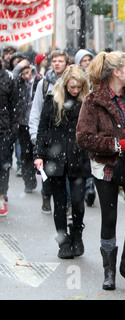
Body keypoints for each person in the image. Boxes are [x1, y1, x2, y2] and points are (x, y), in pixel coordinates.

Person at [76, 51, 125, 290]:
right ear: (116, 72)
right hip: (107, 166)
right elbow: (83, 138)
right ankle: (109, 270)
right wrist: (114, 145)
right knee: (109, 218)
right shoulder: (93, 100)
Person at [34, 65, 91, 259]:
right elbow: (43, 129)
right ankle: (63, 241)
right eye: (72, 86)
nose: (75, 90)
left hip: (78, 156)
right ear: (65, 83)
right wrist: (38, 154)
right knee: (59, 202)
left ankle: (77, 234)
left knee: (77, 201)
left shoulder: (86, 102)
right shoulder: (53, 101)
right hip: (55, 157)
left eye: (78, 87)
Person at [29, 50, 70, 215]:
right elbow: (36, 109)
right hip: (47, 135)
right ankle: (46, 194)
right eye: (55, 61)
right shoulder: (44, 84)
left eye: (61, 60)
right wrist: (34, 135)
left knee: (65, 172)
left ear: (66, 63)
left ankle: (66, 204)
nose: (57, 63)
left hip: (65, 136)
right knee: (48, 171)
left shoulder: (71, 82)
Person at [12, 59, 39, 194]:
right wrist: (19, 67)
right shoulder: (19, 84)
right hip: (23, 124)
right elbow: (13, 76)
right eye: (23, 74)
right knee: (26, 153)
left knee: (38, 152)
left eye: (28, 72)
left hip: (37, 124)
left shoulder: (38, 82)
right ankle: (29, 180)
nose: (26, 76)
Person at [75, 48, 97, 207]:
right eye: (84, 60)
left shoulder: (96, 78)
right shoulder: (75, 80)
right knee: (82, 159)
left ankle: (90, 187)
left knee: (91, 157)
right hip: (79, 125)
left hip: (94, 124)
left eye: (89, 59)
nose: (87, 63)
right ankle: (83, 187)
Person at [0, 57, 16, 216]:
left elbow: (15, 104)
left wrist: (13, 128)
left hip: (4, 129)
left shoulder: (8, 77)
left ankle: (1, 194)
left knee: (4, 163)